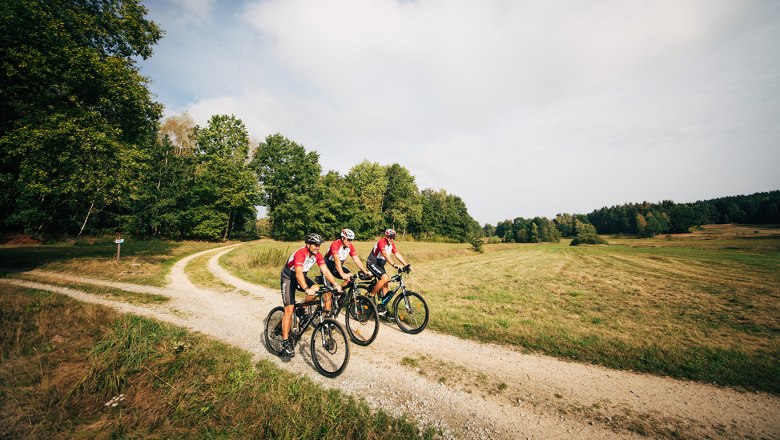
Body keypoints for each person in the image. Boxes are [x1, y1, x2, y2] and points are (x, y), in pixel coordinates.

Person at [279, 233, 341, 358]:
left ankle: (302, 309)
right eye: (314, 245)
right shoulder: (300, 254)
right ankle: (285, 342)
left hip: (301, 276)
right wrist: (306, 289)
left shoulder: (317, 255)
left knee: (317, 288)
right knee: (289, 310)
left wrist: (335, 284)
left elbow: (325, 270)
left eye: (318, 245)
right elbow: (298, 274)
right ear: (308, 244)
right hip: (288, 278)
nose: (317, 247)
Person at [365, 229, 410, 311]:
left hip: (380, 265)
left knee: (386, 282)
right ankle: (371, 296)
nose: (392, 239)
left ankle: (382, 305)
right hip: (372, 263)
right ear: (386, 236)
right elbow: (385, 254)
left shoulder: (391, 244)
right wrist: (394, 264)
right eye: (390, 237)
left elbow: (397, 254)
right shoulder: (381, 242)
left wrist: (406, 264)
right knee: (385, 278)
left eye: (393, 238)